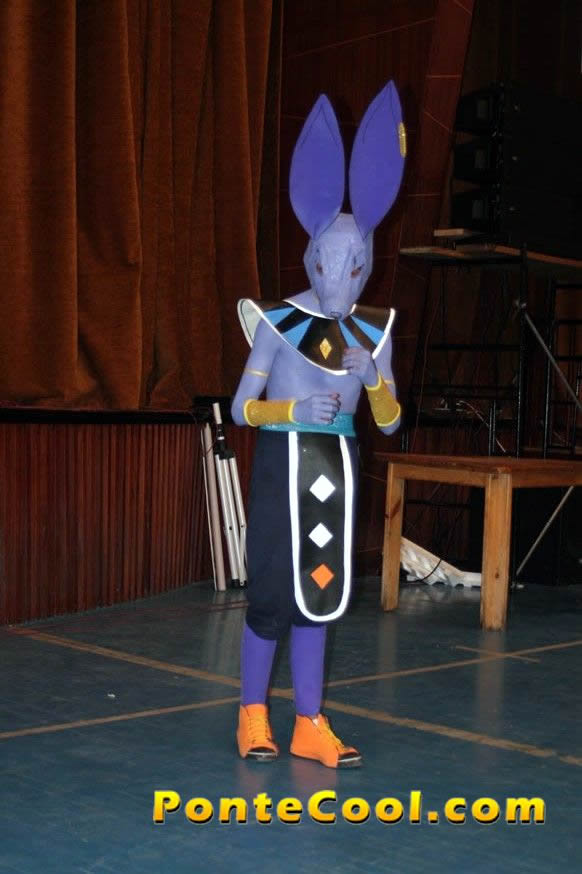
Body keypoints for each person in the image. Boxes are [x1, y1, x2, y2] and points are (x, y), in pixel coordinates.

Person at [231, 82, 405, 768]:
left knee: (320, 596)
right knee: (272, 593)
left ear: (366, 265)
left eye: (354, 269)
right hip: (283, 466)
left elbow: (389, 422)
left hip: (338, 471)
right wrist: (292, 411)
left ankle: (308, 721)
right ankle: (252, 714)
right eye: (331, 266)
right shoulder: (277, 322)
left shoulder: (375, 331)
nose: (341, 284)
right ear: (311, 254)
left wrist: (373, 380)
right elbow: (242, 407)